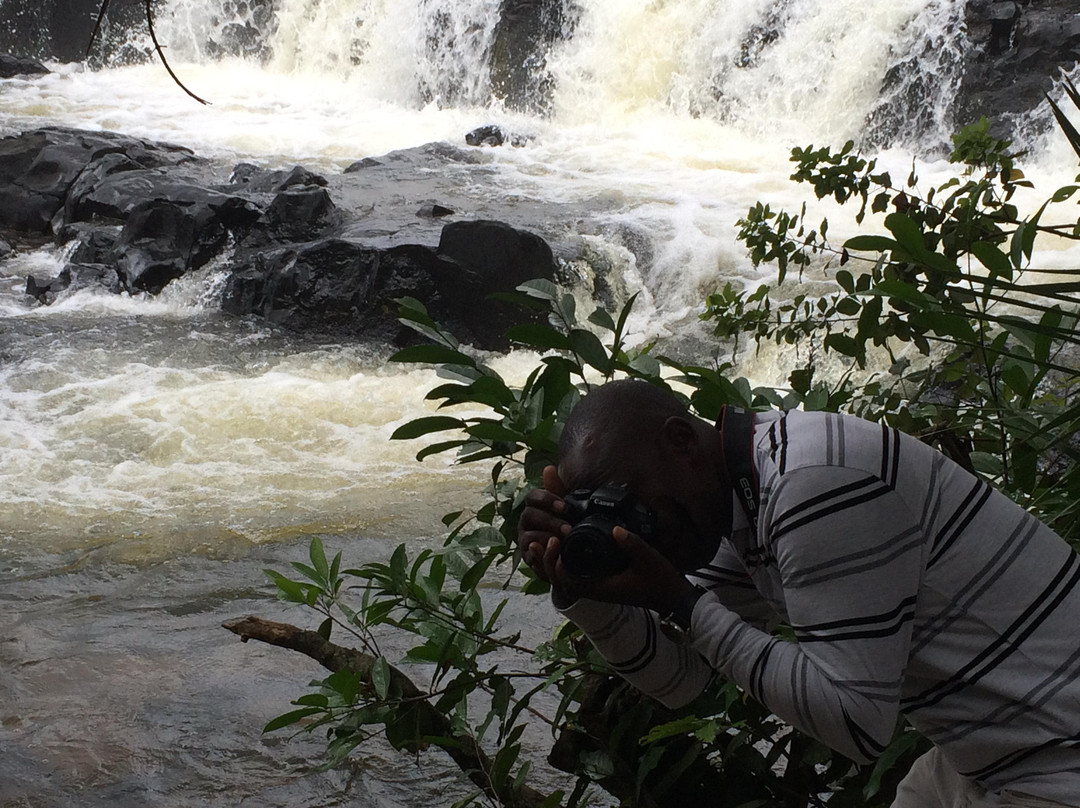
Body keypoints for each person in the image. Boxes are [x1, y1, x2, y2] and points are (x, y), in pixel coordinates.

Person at [517, 379, 1080, 808]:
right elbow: (681, 680)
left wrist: (681, 603)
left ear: (682, 443)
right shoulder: (741, 501)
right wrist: (580, 589)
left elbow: (859, 724)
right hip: (994, 750)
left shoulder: (810, 480)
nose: (636, 525)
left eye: (629, 497)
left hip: (1058, 748)